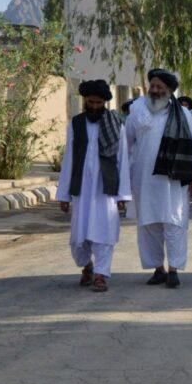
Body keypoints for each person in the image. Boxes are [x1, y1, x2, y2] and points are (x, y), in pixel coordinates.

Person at [125, 69, 192, 288]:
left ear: (169, 90)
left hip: (174, 180)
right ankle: (158, 269)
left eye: (160, 87)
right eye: (153, 86)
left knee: (174, 223)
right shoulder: (137, 110)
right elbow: (127, 144)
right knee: (149, 224)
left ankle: (174, 269)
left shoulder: (183, 114)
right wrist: (125, 177)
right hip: (144, 180)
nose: (155, 90)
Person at [56, 80, 132, 292]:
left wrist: (122, 195)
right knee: (78, 238)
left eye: (99, 103)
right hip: (81, 188)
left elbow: (122, 160)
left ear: (105, 103)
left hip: (105, 189)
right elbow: (69, 159)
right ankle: (87, 266)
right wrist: (64, 194)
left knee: (104, 233)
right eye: (91, 102)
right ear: (85, 101)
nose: (95, 106)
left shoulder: (116, 125)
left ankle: (101, 274)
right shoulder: (76, 124)